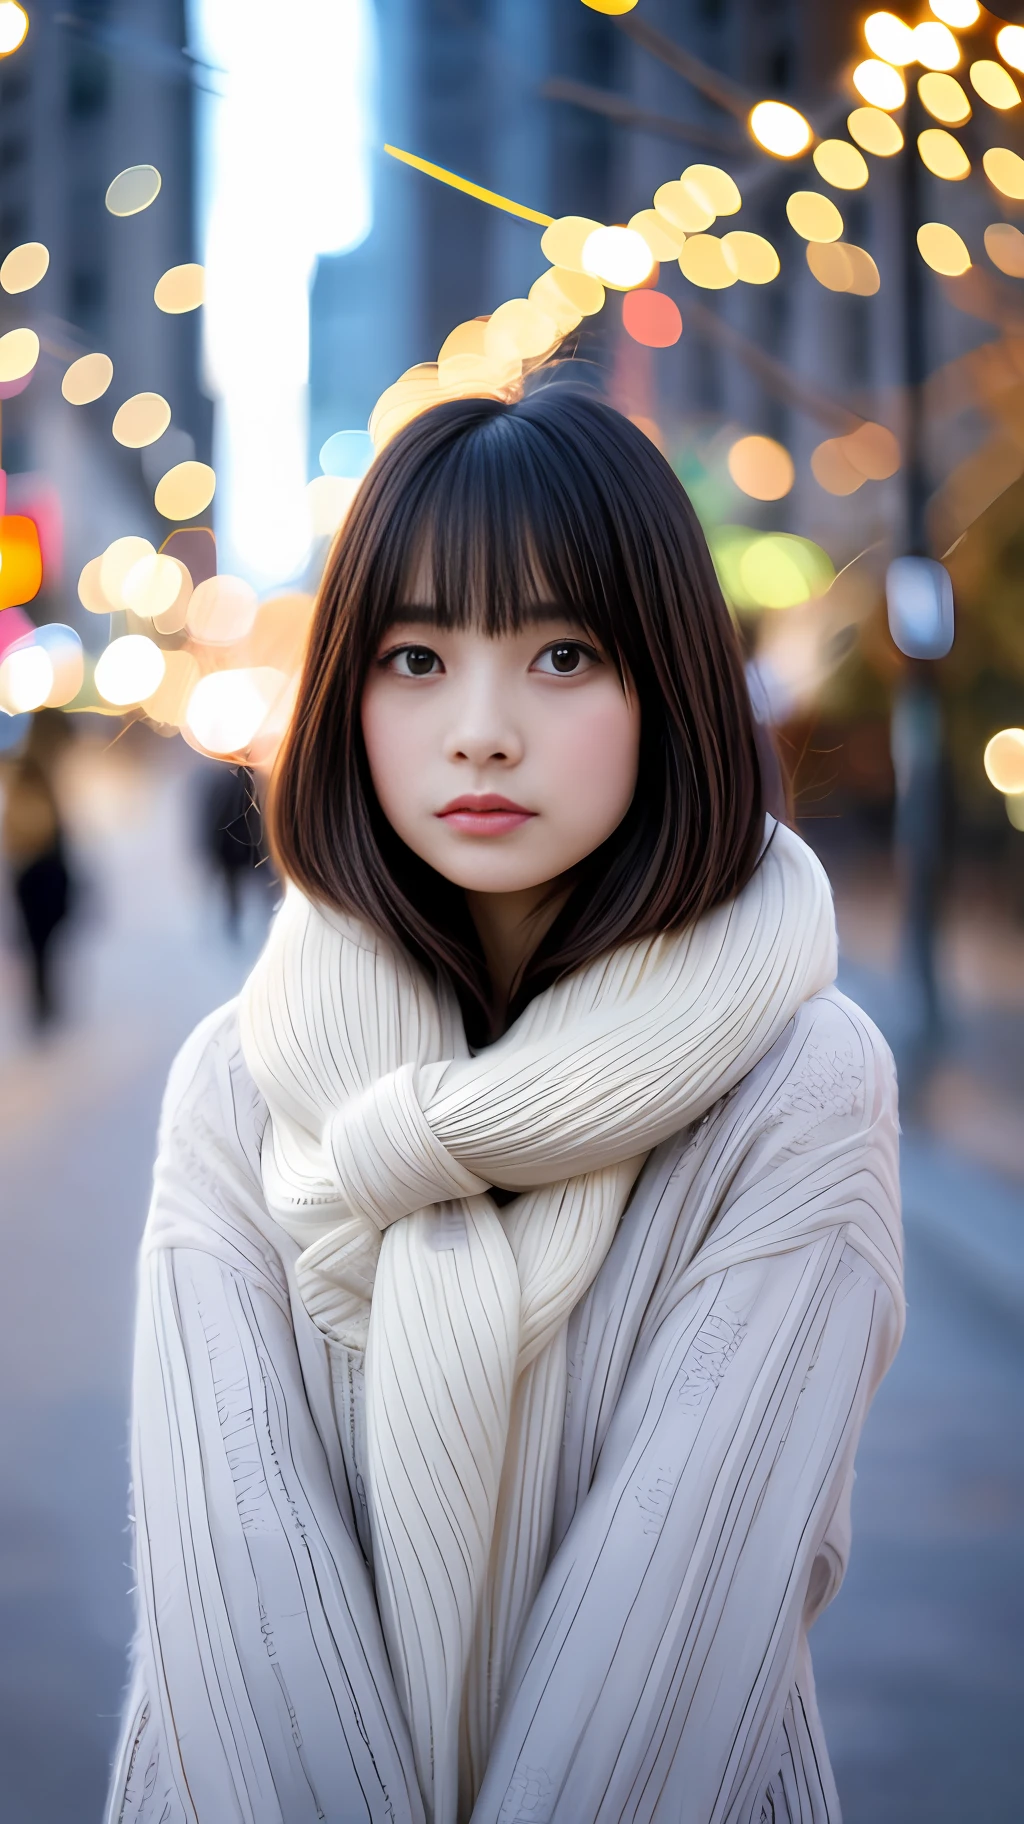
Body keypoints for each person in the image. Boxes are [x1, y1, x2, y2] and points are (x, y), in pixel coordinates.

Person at [106, 389, 902, 1824]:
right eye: (417, 655)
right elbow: (231, 1582)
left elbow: (671, 1637)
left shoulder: (797, 1086)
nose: (480, 731)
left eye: (562, 654)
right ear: (346, 692)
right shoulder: (240, 1078)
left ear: (668, 685)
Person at [1, 710, 75, 1026]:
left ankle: (45, 1001)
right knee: (39, 943)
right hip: (37, 869)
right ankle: (42, 1004)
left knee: (44, 943)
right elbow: (25, 825)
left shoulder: (40, 769)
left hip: (40, 868)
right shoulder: (32, 772)